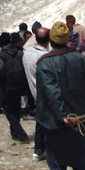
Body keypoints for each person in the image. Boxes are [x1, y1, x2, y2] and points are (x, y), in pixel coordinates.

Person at [35, 22, 85, 170]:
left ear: (51, 40)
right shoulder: (78, 58)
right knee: (80, 157)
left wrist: (62, 115)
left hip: (55, 120)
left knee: (55, 157)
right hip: (77, 117)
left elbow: (51, 91)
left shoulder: (44, 63)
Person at [0, 32, 30, 144]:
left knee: (9, 111)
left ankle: (21, 134)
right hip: (20, 86)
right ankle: (14, 132)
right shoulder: (20, 53)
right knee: (15, 109)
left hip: (6, 87)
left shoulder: (1, 56)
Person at [23, 27, 50, 160]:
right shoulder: (44, 56)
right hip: (45, 93)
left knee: (40, 122)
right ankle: (43, 149)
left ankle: (39, 150)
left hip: (34, 91)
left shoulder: (27, 53)